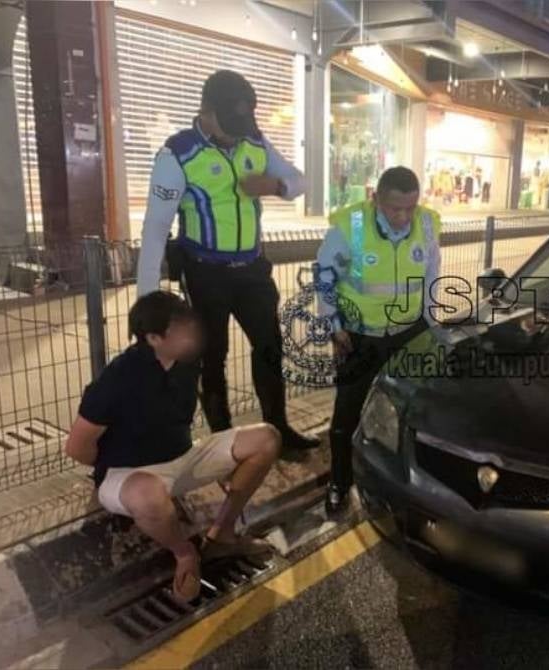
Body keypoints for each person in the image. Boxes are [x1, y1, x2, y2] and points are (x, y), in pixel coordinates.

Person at [135, 69, 320, 454]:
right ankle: (224, 443)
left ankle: (277, 429)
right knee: (210, 356)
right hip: (205, 272)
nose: (239, 132)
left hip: (252, 269)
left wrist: (274, 185)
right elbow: (154, 231)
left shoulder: (253, 140)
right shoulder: (177, 153)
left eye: (244, 122)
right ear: (206, 111)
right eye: (231, 122)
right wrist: (148, 304)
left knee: (270, 347)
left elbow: (301, 181)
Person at [64, 291, 281, 602]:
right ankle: (185, 554)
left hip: (183, 456)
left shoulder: (186, 362)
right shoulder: (118, 378)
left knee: (266, 438)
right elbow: (77, 448)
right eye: (181, 329)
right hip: (128, 474)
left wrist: (221, 462)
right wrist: (121, 463)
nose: (192, 334)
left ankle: (222, 534)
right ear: (153, 338)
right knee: (147, 494)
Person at [315, 167, 442, 516]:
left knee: (411, 409)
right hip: (358, 336)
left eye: (410, 208)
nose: (403, 217)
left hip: (409, 332)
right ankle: (340, 481)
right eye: (394, 208)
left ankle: (403, 482)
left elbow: (432, 276)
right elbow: (324, 275)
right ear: (376, 199)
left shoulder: (428, 224)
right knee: (348, 411)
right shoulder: (351, 227)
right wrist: (333, 325)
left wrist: (432, 325)